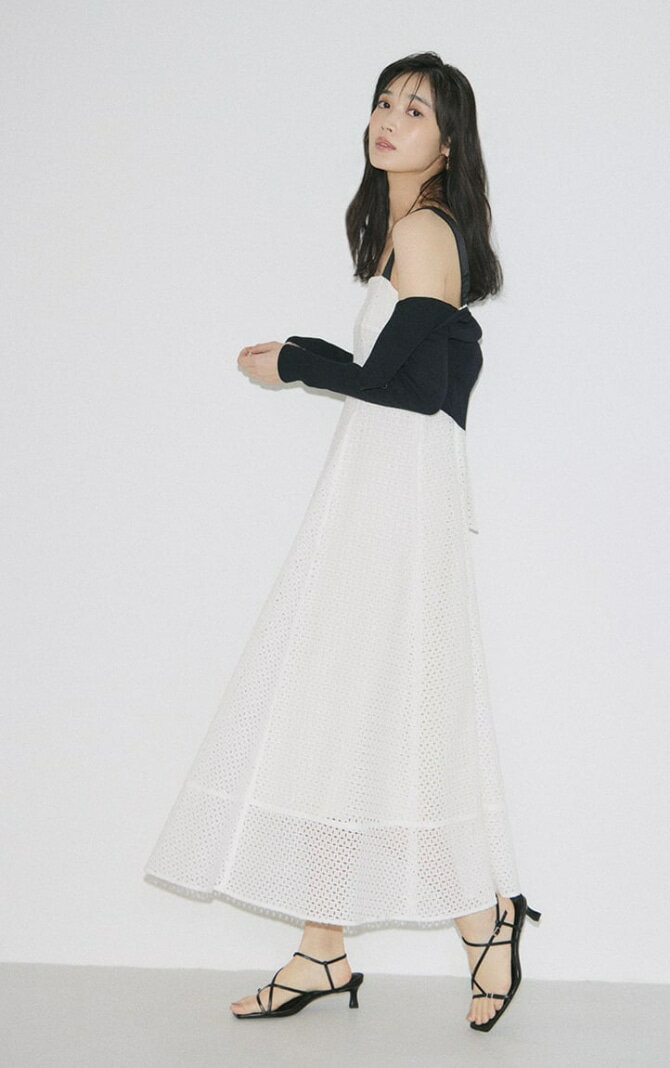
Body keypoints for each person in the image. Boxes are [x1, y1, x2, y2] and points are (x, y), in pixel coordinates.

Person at [144, 51, 540, 1033]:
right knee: (342, 714)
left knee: (384, 719)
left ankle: (483, 919)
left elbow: (407, 390)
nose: (389, 119)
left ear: (448, 143)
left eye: (416, 110)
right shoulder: (408, 234)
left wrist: (295, 361)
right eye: (383, 102)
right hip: (381, 492)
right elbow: (409, 379)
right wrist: (306, 357)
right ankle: (324, 948)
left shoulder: (424, 231)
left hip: (397, 505)